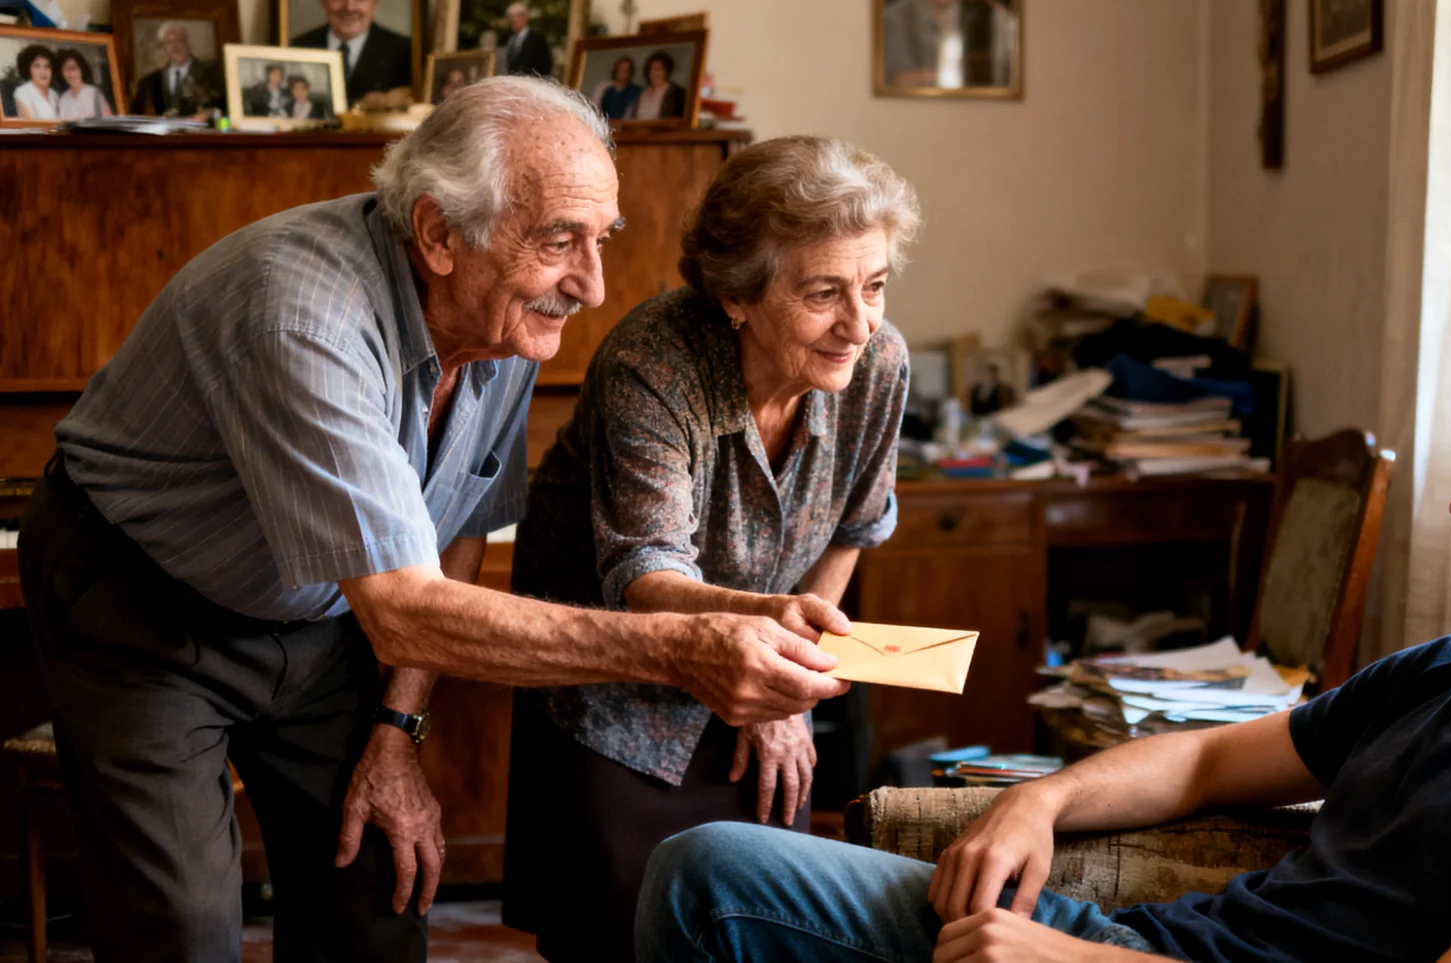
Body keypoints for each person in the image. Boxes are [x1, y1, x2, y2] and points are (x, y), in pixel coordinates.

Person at [17, 77, 849, 963]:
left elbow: (454, 539)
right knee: (180, 931)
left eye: (601, 238)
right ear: (439, 234)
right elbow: (407, 606)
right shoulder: (302, 312)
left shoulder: (506, 314)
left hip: (326, 618)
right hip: (143, 602)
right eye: (559, 241)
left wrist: (395, 729)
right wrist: (684, 647)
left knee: (379, 893)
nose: (592, 285)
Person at [640, 341, 1451, 963]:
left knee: (713, 889)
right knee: (710, 866)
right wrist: (1037, 806)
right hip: (1140, 942)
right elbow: (1202, 764)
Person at [503, 135, 916, 962]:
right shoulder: (654, 361)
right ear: (738, 293)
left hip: (764, 682)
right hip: (614, 685)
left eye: (874, 286)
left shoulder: (878, 363)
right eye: (824, 292)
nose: (859, 323)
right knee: (618, 931)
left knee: (764, 922)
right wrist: (773, 627)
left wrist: (787, 691)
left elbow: (854, 526)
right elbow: (646, 576)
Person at [883, 0, 1017, 89]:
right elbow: (899, 82)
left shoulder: (977, 15)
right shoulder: (895, 18)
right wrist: (964, 73)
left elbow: (1011, 63)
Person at [291, 0, 414, 101]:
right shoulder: (296, 49)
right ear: (323, 0)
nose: (349, 7)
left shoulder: (405, 53)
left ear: (375, 3)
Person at [128, 21, 224, 117]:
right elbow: (136, 115)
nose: (175, 47)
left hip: (199, 131)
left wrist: (209, 114)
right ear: (164, 47)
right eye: (169, 42)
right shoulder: (150, 82)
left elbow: (223, 108)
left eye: (179, 41)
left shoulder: (210, 74)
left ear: (187, 43)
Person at [53, 49, 114, 120]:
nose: (71, 74)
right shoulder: (62, 100)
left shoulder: (94, 93)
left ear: (81, 69)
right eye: (66, 70)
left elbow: (109, 122)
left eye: (73, 68)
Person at [501, 1, 555, 78]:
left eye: (518, 16)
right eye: (510, 17)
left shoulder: (537, 39)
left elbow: (545, 66)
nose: (514, 20)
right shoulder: (510, 39)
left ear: (526, 18)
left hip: (532, 83)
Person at [629, 51, 686, 121]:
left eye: (659, 68)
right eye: (652, 69)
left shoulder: (678, 93)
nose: (655, 72)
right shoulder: (641, 93)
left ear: (666, 71)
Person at [11, 44, 58, 120]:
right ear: (28, 70)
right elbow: (30, 124)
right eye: (37, 66)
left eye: (47, 67)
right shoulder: (22, 92)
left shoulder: (54, 95)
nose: (43, 72)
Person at [593, 55, 640, 120]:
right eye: (621, 69)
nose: (623, 73)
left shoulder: (635, 91)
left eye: (626, 70)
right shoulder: (606, 89)